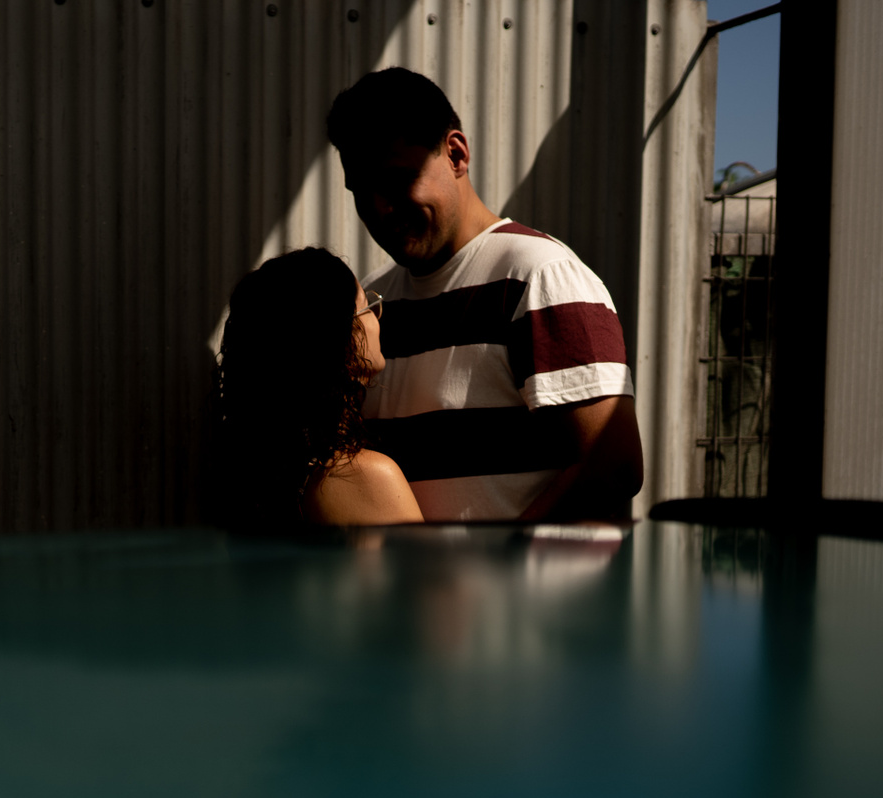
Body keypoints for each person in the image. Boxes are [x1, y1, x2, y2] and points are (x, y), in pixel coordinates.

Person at [327, 68, 643, 522]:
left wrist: (505, 559)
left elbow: (613, 467)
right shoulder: (375, 305)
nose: (380, 208)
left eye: (396, 181)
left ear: (456, 154)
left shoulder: (539, 277)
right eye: (361, 191)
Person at [211, 247, 423, 529]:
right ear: (343, 336)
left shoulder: (259, 472)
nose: (377, 317)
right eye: (366, 307)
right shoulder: (365, 477)